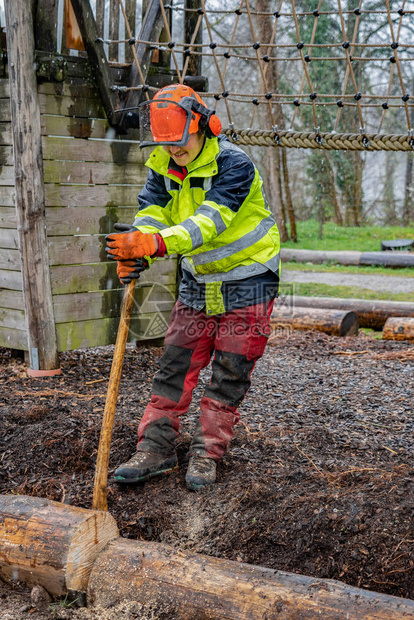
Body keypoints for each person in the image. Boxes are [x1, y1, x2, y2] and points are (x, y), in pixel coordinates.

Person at [106, 83, 280, 491]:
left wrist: (157, 243)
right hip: (198, 279)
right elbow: (152, 210)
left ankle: (207, 452)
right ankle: (156, 447)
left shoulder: (234, 165)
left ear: (204, 126)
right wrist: (139, 247)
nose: (174, 151)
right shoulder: (163, 164)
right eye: (167, 144)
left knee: (230, 371)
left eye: (180, 142)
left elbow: (208, 223)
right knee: (175, 364)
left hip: (249, 277)